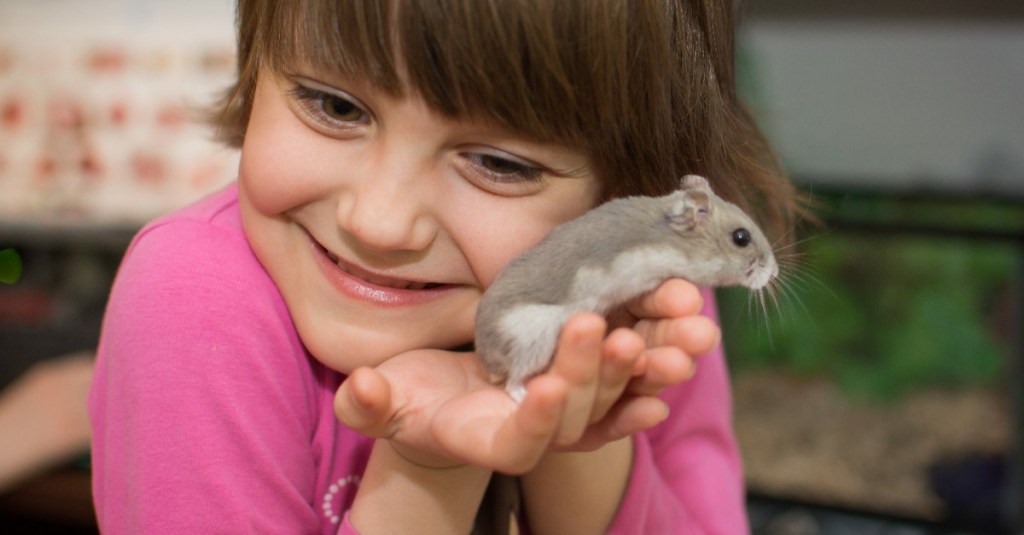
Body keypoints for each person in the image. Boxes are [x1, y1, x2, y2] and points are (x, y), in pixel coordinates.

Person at [88, 0, 801, 533]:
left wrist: (568, 424)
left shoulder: (649, 307)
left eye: (498, 163)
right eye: (335, 105)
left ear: (625, 193)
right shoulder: (195, 301)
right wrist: (428, 468)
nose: (379, 221)